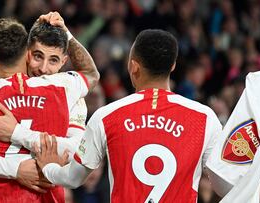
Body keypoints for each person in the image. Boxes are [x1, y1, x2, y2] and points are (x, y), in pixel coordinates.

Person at [34, 29, 228, 202]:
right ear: (172, 67)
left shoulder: (107, 116)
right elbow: (222, 183)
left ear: (133, 66)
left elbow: (73, 178)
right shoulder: (204, 118)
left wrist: (49, 167)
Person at [0, 15, 99, 203]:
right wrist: (15, 170)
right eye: (37, 56)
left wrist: (16, 133)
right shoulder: (66, 89)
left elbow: (77, 150)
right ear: (26, 53)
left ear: (63, 62)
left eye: (53, 60)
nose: (43, 68)